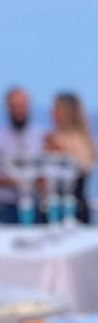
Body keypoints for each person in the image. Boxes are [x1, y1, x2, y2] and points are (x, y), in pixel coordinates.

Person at [43, 92, 98, 223]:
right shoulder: (51, 137)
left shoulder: (80, 140)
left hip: (74, 207)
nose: (51, 113)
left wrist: (60, 150)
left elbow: (84, 166)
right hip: (51, 206)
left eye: (56, 109)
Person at [0, 86, 45, 222]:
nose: (19, 110)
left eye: (22, 106)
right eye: (15, 106)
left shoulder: (41, 136)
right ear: (7, 107)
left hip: (35, 204)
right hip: (5, 206)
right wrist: (12, 182)